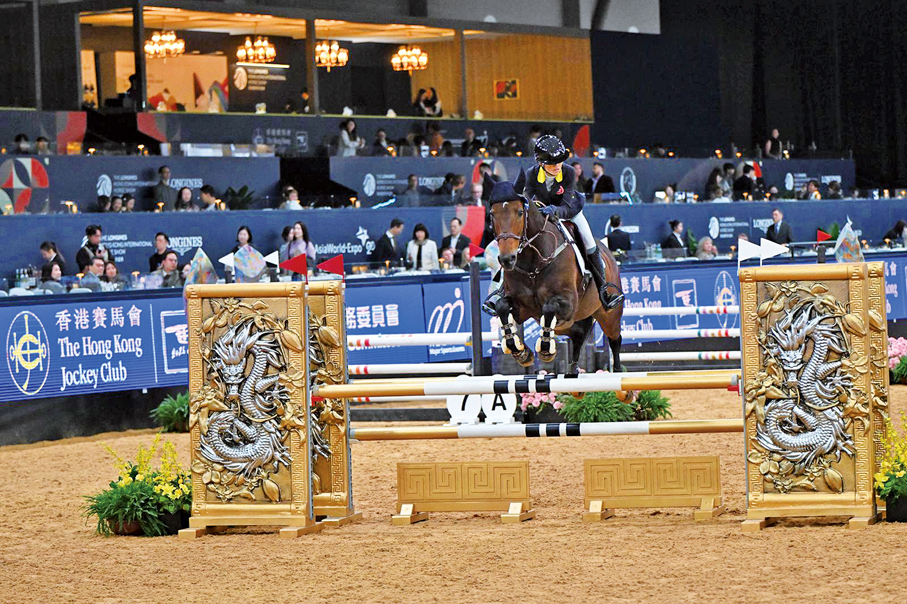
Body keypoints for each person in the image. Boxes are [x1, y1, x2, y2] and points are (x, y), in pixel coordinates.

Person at [522, 135, 622, 308]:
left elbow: (567, 205)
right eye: (552, 164)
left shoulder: (568, 172)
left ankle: (604, 291)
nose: (557, 166)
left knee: (590, 244)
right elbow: (528, 199)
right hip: (543, 213)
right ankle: (502, 291)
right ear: (541, 163)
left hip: (569, 211)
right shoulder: (531, 174)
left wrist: (554, 210)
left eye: (559, 161)